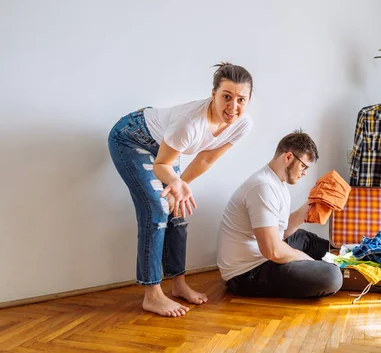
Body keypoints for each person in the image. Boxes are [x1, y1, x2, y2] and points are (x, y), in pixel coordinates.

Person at [108, 62, 253, 317]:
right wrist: (174, 183)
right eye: (226, 97)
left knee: (177, 210)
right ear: (213, 95)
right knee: (156, 209)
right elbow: (161, 164)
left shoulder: (241, 124)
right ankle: (152, 296)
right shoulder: (190, 124)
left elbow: (205, 159)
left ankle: (179, 284)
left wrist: (180, 187)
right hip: (131, 137)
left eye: (241, 99)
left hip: (165, 142)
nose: (233, 107)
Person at [217, 130, 343, 298]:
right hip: (246, 273)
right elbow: (272, 251)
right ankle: (334, 269)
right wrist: (306, 260)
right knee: (331, 276)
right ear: (289, 157)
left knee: (306, 238)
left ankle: (347, 259)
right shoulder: (263, 187)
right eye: (304, 166)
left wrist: (312, 202)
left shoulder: (277, 183)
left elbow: (283, 229)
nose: (304, 172)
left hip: (263, 253)